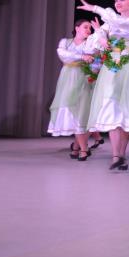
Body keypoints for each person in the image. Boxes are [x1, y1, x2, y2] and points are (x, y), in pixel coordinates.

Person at [77, 0, 129, 171]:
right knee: (111, 106)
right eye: (116, 0)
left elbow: (121, 24)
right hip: (113, 66)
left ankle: (121, 154)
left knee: (127, 111)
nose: (118, 2)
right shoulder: (110, 22)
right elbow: (95, 41)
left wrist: (95, 8)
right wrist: (101, 37)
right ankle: (116, 155)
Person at [47, 19, 97, 161]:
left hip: (85, 78)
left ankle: (80, 148)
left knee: (83, 113)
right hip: (68, 78)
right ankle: (81, 147)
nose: (88, 30)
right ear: (77, 28)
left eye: (90, 28)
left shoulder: (90, 44)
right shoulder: (65, 42)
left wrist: (93, 68)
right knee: (71, 111)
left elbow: (94, 58)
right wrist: (81, 57)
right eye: (85, 27)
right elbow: (63, 54)